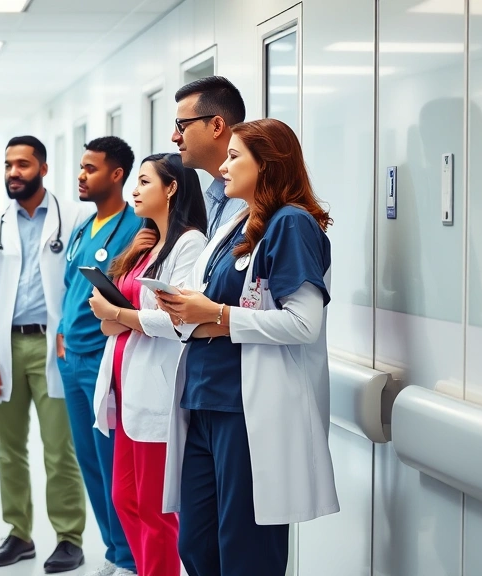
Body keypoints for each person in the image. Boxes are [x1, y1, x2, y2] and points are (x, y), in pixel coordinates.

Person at [157, 118, 340, 576]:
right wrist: (184, 308)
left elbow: (303, 324)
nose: (224, 166)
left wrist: (216, 316)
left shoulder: (290, 225)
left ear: (268, 164)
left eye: (235, 156)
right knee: (196, 544)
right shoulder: (238, 224)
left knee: (245, 551)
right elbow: (212, 302)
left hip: (247, 410)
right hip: (202, 402)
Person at [0, 135, 90, 573]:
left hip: (55, 344)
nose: (13, 173)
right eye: (7, 165)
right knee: (9, 448)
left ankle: (69, 537)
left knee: (61, 448)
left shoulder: (75, 218)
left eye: (22, 164)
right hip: (6, 347)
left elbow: (82, 282)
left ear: (42, 167)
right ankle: (19, 534)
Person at [88, 153, 207, 576]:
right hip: (126, 385)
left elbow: (179, 320)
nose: (134, 191)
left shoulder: (189, 243)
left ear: (171, 187)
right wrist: (114, 313)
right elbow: (113, 319)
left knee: (156, 510)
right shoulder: (146, 243)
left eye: (143, 182)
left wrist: (118, 316)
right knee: (125, 499)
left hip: (156, 389)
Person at [56, 136, 140, 576]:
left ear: (116, 175)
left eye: (90, 168)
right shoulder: (82, 226)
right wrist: (59, 330)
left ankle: (127, 555)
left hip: (103, 357)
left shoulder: (134, 228)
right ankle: (111, 548)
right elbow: (71, 286)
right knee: (87, 460)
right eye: (81, 167)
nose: (81, 176)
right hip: (71, 358)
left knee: (112, 463)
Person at [172, 76, 248, 238]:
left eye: (182, 126)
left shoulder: (255, 200)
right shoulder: (210, 199)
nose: (175, 137)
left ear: (217, 126)